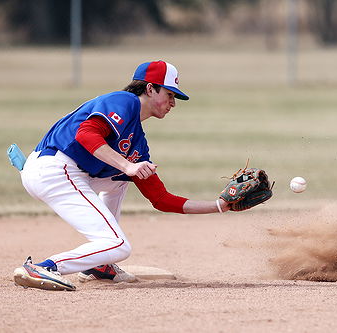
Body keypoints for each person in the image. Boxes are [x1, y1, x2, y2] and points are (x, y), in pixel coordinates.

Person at [13, 61, 241, 291]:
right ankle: (46, 267)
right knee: (119, 245)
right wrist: (127, 165)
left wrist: (221, 205)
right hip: (54, 169)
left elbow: (160, 198)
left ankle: (101, 265)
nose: (173, 103)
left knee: (120, 182)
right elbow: (86, 134)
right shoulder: (125, 101)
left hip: (62, 172)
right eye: (170, 94)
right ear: (150, 89)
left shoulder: (137, 142)